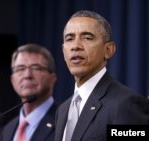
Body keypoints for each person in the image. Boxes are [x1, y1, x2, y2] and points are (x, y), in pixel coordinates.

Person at [55, 10, 149, 141]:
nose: (75, 46)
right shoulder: (63, 110)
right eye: (69, 39)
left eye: (87, 38)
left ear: (108, 50)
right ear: (63, 50)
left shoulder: (126, 104)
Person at [0, 44, 58, 141]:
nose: (27, 75)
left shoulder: (64, 121)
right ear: (12, 80)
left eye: (36, 68)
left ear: (52, 79)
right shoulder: (7, 130)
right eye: (20, 69)